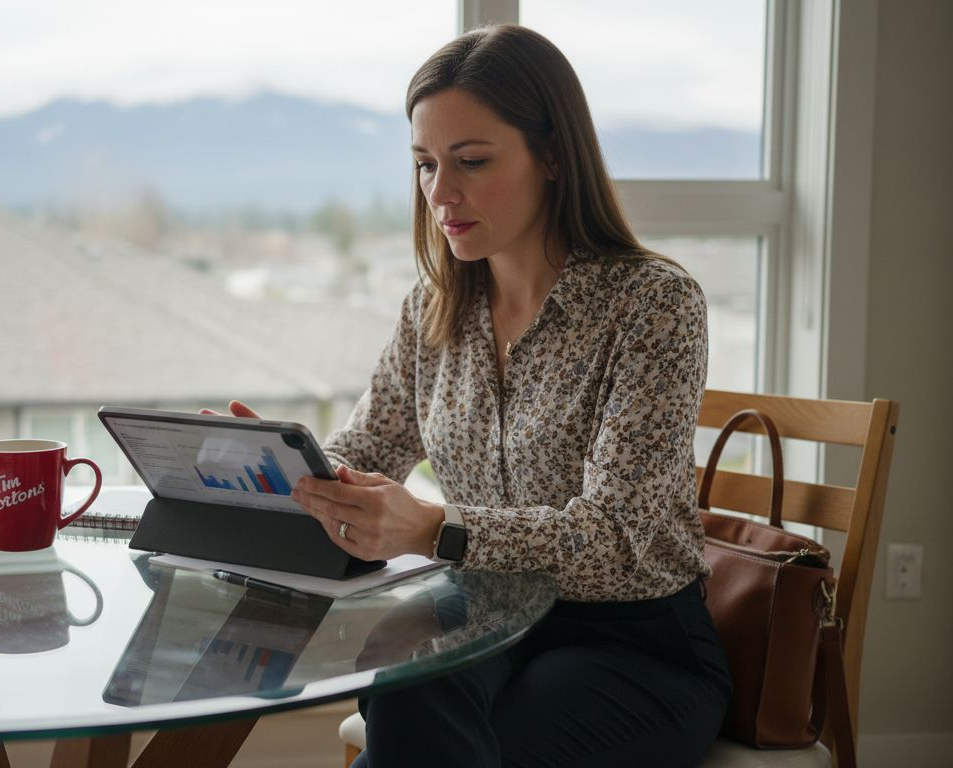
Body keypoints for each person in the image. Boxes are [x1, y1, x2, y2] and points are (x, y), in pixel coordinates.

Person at [208, 24, 731, 767]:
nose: (440, 194)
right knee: (403, 674)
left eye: (472, 162)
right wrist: (277, 465)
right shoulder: (435, 307)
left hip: (632, 641)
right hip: (488, 618)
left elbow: (618, 541)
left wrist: (433, 530)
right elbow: (366, 449)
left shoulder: (653, 305)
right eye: (424, 165)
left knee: (482, 745)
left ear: (553, 155)